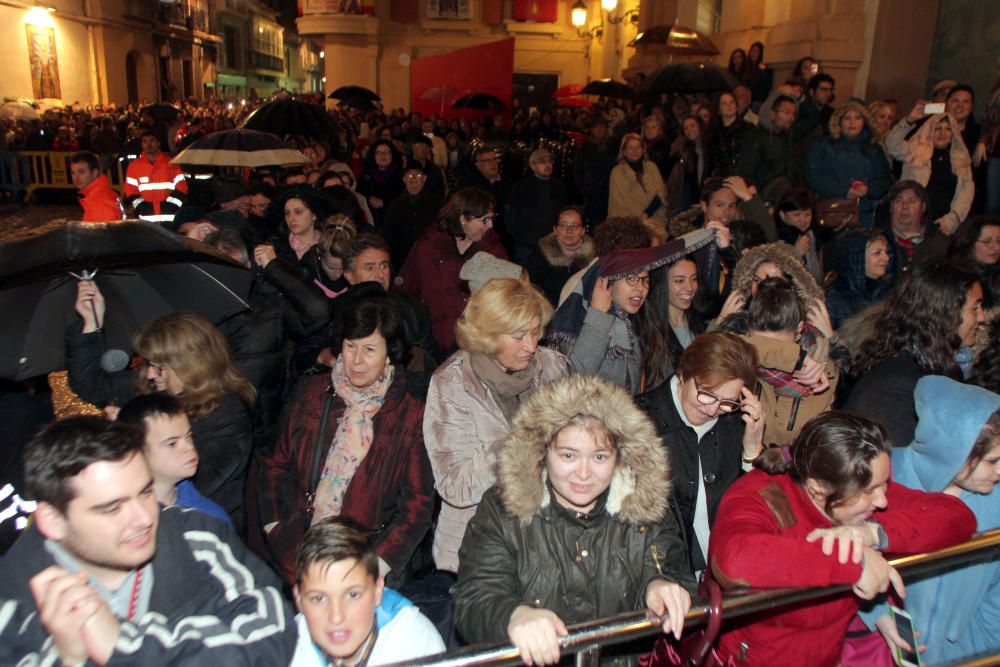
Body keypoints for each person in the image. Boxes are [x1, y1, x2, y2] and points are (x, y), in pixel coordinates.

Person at [0, 416, 296, 665]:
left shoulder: (198, 538)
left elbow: (273, 638)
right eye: (113, 508)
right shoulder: (11, 601)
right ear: (53, 519)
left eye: (145, 492)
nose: (144, 518)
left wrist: (123, 645)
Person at [452, 375, 696, 664]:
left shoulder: (644, 506)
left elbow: (678, 573)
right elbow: (474, 595)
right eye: (568, 455)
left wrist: (660, 586)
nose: (583, 474)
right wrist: (514, 615)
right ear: (542, 452)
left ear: (618, 456)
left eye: (600, 457)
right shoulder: (504, 510)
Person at [706, 412, 977, 667]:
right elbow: (735, 560)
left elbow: (957, 515)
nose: (882, 500)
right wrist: (854, 562)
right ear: (818, 487)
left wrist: (872, 532)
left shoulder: (860, 489)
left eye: (884, 486)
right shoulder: (760, 495)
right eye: (871, 491)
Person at [259, 296, 434, 587]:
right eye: (350, 346)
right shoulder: (311, 394)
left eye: (369, 349)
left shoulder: (411, 415)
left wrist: (378, 564)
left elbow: (417, 505)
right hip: (298, 554)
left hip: (366, 560)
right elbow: (275, 465)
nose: (357, 360)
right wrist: (275, 527)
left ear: (389, 353)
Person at [67, 290, 256, 533]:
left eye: (158, 367)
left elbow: (186, 478)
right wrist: (91, 323)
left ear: (189, 366)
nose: (148, 374)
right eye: (148, 364)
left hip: (202, 531)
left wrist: (128, 432)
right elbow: (92, 383)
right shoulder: (155, 388)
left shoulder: (226, 414)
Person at [423, 278, 569, 573]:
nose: (531, 345)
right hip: (477, 549)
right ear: (488, 336)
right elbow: (455, 485)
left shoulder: (553, 366)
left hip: (548, 541)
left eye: (534, 331)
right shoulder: (452, 384)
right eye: (518, 336)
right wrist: (518, 443)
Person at [860, 376, 1000, 665]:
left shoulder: (995, 501)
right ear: (954, 450)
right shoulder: (882, 479)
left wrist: (981, 651)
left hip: (962, 652)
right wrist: (874, 615)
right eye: (992, 460)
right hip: (877, 650)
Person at [637, 332, 765, 575]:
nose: (712, 409)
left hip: (725, 566)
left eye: (728, 402)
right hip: (664, 573)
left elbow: (750, 510)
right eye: (706, 394)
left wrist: (752, 450)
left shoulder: (736, 422)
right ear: (683, 374)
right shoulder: (639, 421)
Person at [845, 258, 985, 447]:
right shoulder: (894, 385)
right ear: (943, 312)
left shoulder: (944, 366)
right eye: (975, 308)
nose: (982, 317)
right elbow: (896, 467)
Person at [290, 518, 445, 666]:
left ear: (378, 591)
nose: (336, 617)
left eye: (353, 595)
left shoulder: (416, 643)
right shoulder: (284, 650)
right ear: (299, 599)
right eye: (318, 598)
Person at [396, 187, 508, 357]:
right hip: (433, 344)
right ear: (463, 218)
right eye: (484, 220)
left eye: (492, 219)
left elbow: (507, 296)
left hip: (478, 344)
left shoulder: (494, 251)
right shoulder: (427, 247)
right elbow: (403, 291)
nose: (490, 225)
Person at [116, 392, 230, 526]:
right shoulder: (119, 516)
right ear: (137, 452)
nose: (189, 447)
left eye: (189, 436)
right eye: (172, 443)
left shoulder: (210, 518)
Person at [886, 106, 974, 235]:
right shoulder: (914, 150)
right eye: (937, 128)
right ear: (929, 130)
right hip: (910, 221)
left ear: (953, 134)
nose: (942, 133)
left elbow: (965, 196)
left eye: (948, 129)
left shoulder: (961, 161)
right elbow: (892, 144)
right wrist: (909, 120)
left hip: (942, 225)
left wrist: (949, 222)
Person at [805, 101, 893, 229]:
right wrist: (844, 191)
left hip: (864, 215)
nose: (852, 122)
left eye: (858, 118)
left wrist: (868, 189)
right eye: (847, 118)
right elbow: (812, 176)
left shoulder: (874, 150)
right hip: (830, 212)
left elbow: (884, 180)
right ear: (839, 121)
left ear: (864, 122)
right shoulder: (823, 146)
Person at [505, 148, 570, 263]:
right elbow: (511, 216)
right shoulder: (520, 187)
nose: (548, 165)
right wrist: (521, 237)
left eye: (550, 161)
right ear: (532, 166)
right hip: (527, 245)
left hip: (553, 243)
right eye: (542, 162)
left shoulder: (559, 186)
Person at [524, 205, 596, 306]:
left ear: (583, 230)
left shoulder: (594, 257)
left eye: (575, 225)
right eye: (563, 225)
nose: (569, 230)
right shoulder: (540, 254)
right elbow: (528, 287)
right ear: (555, 229)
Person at [877, 180, 950, 277]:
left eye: (912, 201)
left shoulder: (941, 245)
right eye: (899, 201)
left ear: (923, 207)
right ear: (891, 207)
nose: (905, 206)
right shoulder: (874, 241)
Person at [825, 230, 893, 329]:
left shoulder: (887, 293)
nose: (886, 258)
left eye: (886, 252)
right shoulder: (834, 299)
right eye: (877, 253)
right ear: (857, 258)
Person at [383, 164, 444, 273]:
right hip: (402, 261)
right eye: (410, 175)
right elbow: (388, 235)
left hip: (431, 258)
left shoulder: (436, 204)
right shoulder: (395, 205)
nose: (414, 178)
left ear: (424, 179)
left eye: (418, 174)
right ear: (404, 179)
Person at [736, 95, 800, 194]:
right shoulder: (757, 137)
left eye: (793, 114)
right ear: (772, 114)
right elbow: (746, 172)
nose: (791, 117)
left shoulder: (786, 136)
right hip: (762, 195)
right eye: (786, 112)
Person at [123, 130, 186, 224]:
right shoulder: (134, 166)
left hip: (170, 218)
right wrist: (142, 206)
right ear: (142, 145)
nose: (148, 144)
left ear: (158, 143)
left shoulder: (171, 164)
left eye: (152, 140)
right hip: (145, 219)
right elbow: (130, 190)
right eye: (145, 141)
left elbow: (182, 188)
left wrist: (170, 205)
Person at [608, 132, 669, 229]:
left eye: (638, 147)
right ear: (624, 151)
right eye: (630, 148)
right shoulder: (617, 172)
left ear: (643, 149)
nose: (634, 151)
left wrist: (645, 215)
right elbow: (618, 205)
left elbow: (660, 194)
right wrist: (637, 222)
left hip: (655, 220)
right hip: (628, 225)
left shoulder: (652, 167)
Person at [773, 187, 833, 284]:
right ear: (782, 215)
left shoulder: (818, 233)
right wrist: (797, 253)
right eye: (796, 215)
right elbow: (778, 275)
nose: (803, 220)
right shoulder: (776, 240)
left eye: (807, 214)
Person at [574, 115, 619, 227]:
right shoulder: (584, 148)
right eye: (596, 127)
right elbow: (578, 171)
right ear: (591, 129)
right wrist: (585, 191)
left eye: (602, 126)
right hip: (592, 197)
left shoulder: (614, 145)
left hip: (612, 195)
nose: (599, 129)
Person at [947, 214, 1000, 308]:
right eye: (987, 241)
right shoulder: (955, 279)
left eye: (999, 241)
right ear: (969, 244)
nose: (996, 247)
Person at [358, 138, 404, 227]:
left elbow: (404, 197)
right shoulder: (365, 174)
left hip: (395, 220)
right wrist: (369, 199)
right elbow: (360, 195)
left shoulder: (401, 175)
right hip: (371, 221)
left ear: (393, 155)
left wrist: (385, 202)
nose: (383, 155)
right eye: (378, 152)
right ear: (373, 155)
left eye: (387, 152)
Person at [69, 151, 124, 222]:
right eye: (73, 173)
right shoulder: (101, 192)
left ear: (95, 173)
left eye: (81, 172)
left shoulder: (99, 199)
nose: (76, 178)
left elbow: (105, 231)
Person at [715, 91, 755, 176]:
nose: (729, 105)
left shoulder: (748, 128)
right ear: (719, 109)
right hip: (720, 176)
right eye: (724, 103)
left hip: (742, 176)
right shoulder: (714, 132)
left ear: (736, 107)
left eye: (731, 102)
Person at [746, 41, 773, 108]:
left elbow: (767, 85)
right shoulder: (748, 68)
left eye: (757, 51)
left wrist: (763, 71)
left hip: (758, 102)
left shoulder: (764, 67)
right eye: (752, 51)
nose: (753, 53)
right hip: (747, 101)